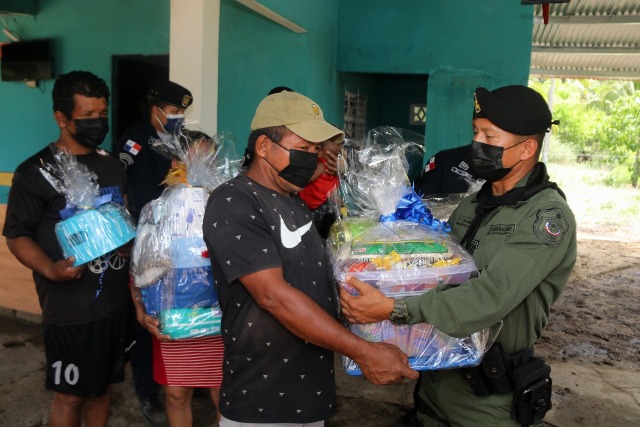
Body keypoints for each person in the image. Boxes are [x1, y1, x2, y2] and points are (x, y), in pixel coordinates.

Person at [340, 85, 577, 426]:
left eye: (490, 136)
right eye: (476, 132)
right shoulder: (472, 203)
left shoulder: (546, 218)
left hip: (486, 399)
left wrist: (395, 309)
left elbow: (491, 296)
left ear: (527, 148)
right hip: (436, 375)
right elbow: (439, 269)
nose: (477, 143)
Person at [202, 90, 418, 426]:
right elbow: (274, 297)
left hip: (308, 391)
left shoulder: (292, 198)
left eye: (316, 150)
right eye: (303, 148)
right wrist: (363, 352)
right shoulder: (234, 202)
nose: (312, 158)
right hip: (262, 400)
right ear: (263, 147)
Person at [2, 70, 132, 427]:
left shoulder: (111, 164)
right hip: (70, 309)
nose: (98, 122)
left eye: (102, 113)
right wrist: (50, 268)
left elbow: (124, 215)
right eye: (88, 115)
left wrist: (128, 242)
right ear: (62, 118)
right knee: (71, 395)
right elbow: (16, 234)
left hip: (115, 304)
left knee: (103, 387)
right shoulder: (34, 172)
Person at [131, 130, 225, 427]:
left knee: (224, 393)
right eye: (195, 157)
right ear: (175, 162)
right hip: (174, 319)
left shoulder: (225, 205)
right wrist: (141, 310)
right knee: (176, 394)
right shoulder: (156, 210)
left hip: (221, 319)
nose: (202, 165)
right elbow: (140, 270)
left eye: (209, 159)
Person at [116, 78, 193, 424]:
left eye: (182, 112)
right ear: (156, 109)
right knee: (148, 319)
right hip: (147, 240)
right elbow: (125, 187)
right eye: (174, 110)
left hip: (180, 243)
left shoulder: (182, 140)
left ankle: (185, 383)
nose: (179, 117)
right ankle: (148, 392)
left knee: (180, 311)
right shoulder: (134, 139)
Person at [298, 137, 345, 238]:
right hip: (310, 204)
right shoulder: (322, 165)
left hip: (321, 203)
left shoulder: (334, 169)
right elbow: (308, 179)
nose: (340, 146)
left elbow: (334, 189)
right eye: (337, 144)